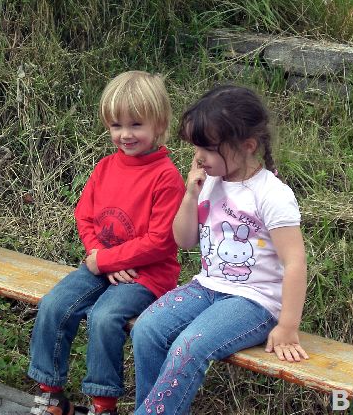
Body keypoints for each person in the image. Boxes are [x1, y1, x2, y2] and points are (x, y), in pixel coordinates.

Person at [131, 85, 308, 415]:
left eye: (209, 149)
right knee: (147, 329)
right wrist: (189, 195)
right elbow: (184, 240)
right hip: (207, 287)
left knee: (188, 347)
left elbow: (295, 261)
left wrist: (288, 326)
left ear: (247, 146)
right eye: (196, 147)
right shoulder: (210, 180)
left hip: (254, 302)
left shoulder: (271, 194)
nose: (199, 157)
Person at [28, 71, 186, 415]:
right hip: (101, 264)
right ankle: (51, 395)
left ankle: (103, 404)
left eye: (136, 124)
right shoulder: (105, 167)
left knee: (104, 316)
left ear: (159, 124)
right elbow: (84, 216)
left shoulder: (167, 177)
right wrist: (98, 255)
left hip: (146, 276)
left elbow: (161, 242)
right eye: (116, 125)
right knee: (54, 304)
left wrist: (106, 260)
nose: (125, 134)